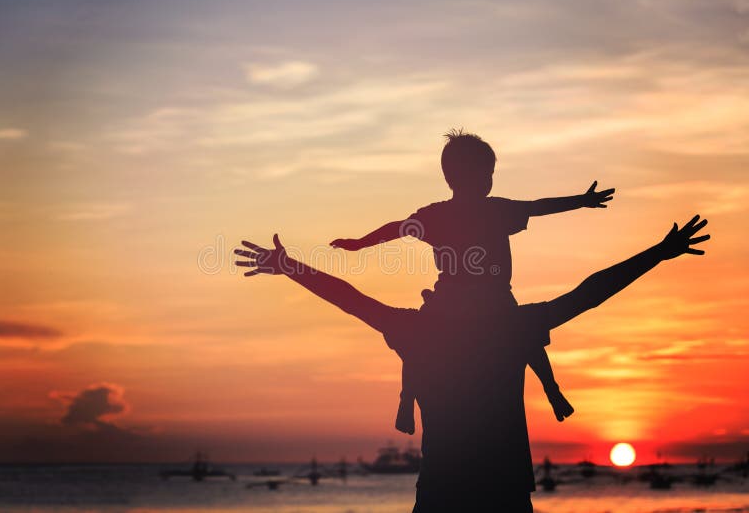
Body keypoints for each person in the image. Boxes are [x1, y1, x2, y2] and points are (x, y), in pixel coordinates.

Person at [235, 215, 709, 512]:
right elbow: (588, 293)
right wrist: (659, 253)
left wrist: (289, 266)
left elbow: (350, 299)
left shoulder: (419, 329)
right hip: (501, 492)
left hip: (443, 491)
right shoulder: (512, 326)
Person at [330, 129, 615, 432]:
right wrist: (581, 201)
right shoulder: (490, 210)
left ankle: (549, 389)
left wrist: (360, 243)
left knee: (419, 340)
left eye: (491, 174)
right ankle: (549, 390)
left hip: (461, 299)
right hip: (481, 298)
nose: (490, 180)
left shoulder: (448, 213)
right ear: (463, 176)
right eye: (486, 174)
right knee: (523, 331)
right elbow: (538, 206)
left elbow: (396, 228)